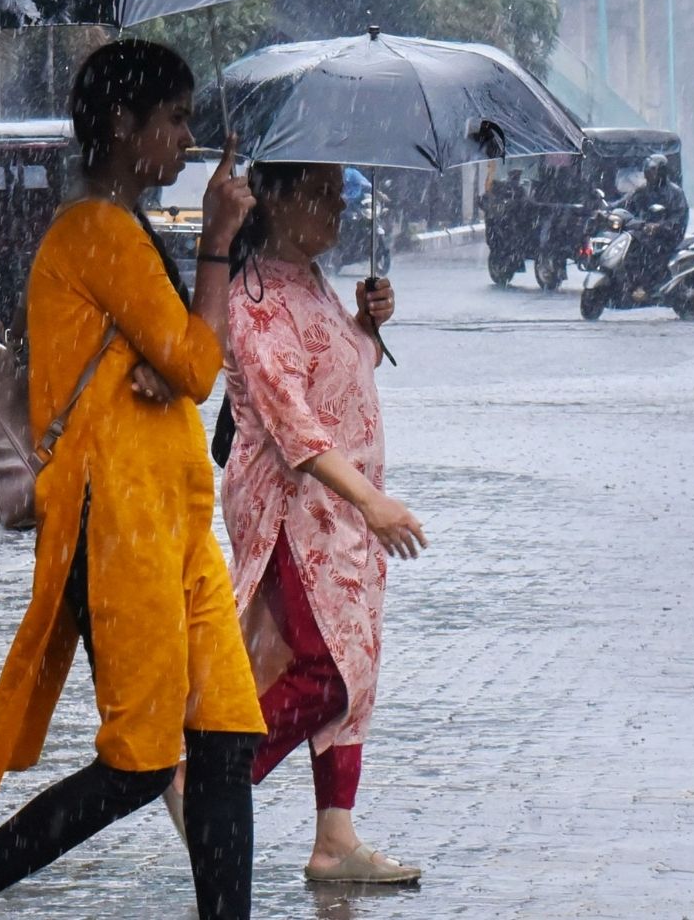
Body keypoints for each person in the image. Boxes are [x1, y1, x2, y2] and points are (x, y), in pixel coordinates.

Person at [0, 41, 265, 920]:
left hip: (175, 526)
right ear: (124, 128)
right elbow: (199, 361)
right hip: (117, 526)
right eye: (174, 119)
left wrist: (168, 354)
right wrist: (219, 242)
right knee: (138, 762)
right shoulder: (94, 230)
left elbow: (178, 357)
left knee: (226, 736)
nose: (186, 138)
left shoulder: (122, 230)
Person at [218, 162, 427, 884]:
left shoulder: (308, 279)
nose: (340, 209)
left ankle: (335, 835)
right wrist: (370, 504)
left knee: (356, 663)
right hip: (297, 507)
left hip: (344, 510)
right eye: (324, 195)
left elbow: (342, 372)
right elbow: (293, 424)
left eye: (343, 196)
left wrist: (366, 325)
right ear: (275, 198)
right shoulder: (254, 295)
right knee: (327, 668)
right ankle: (213, 777)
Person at [626, 154, 688, 296]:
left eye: (653, 170)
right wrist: (605, 210)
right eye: (648, 170)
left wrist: (660, 226)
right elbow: (625, 204)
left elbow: (679, 218)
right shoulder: (642, 191)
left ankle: (646, 286)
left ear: (661, 172)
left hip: (667, 236)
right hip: (643, 231)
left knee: (648, 252)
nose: (649, 173)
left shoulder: (674, 193)